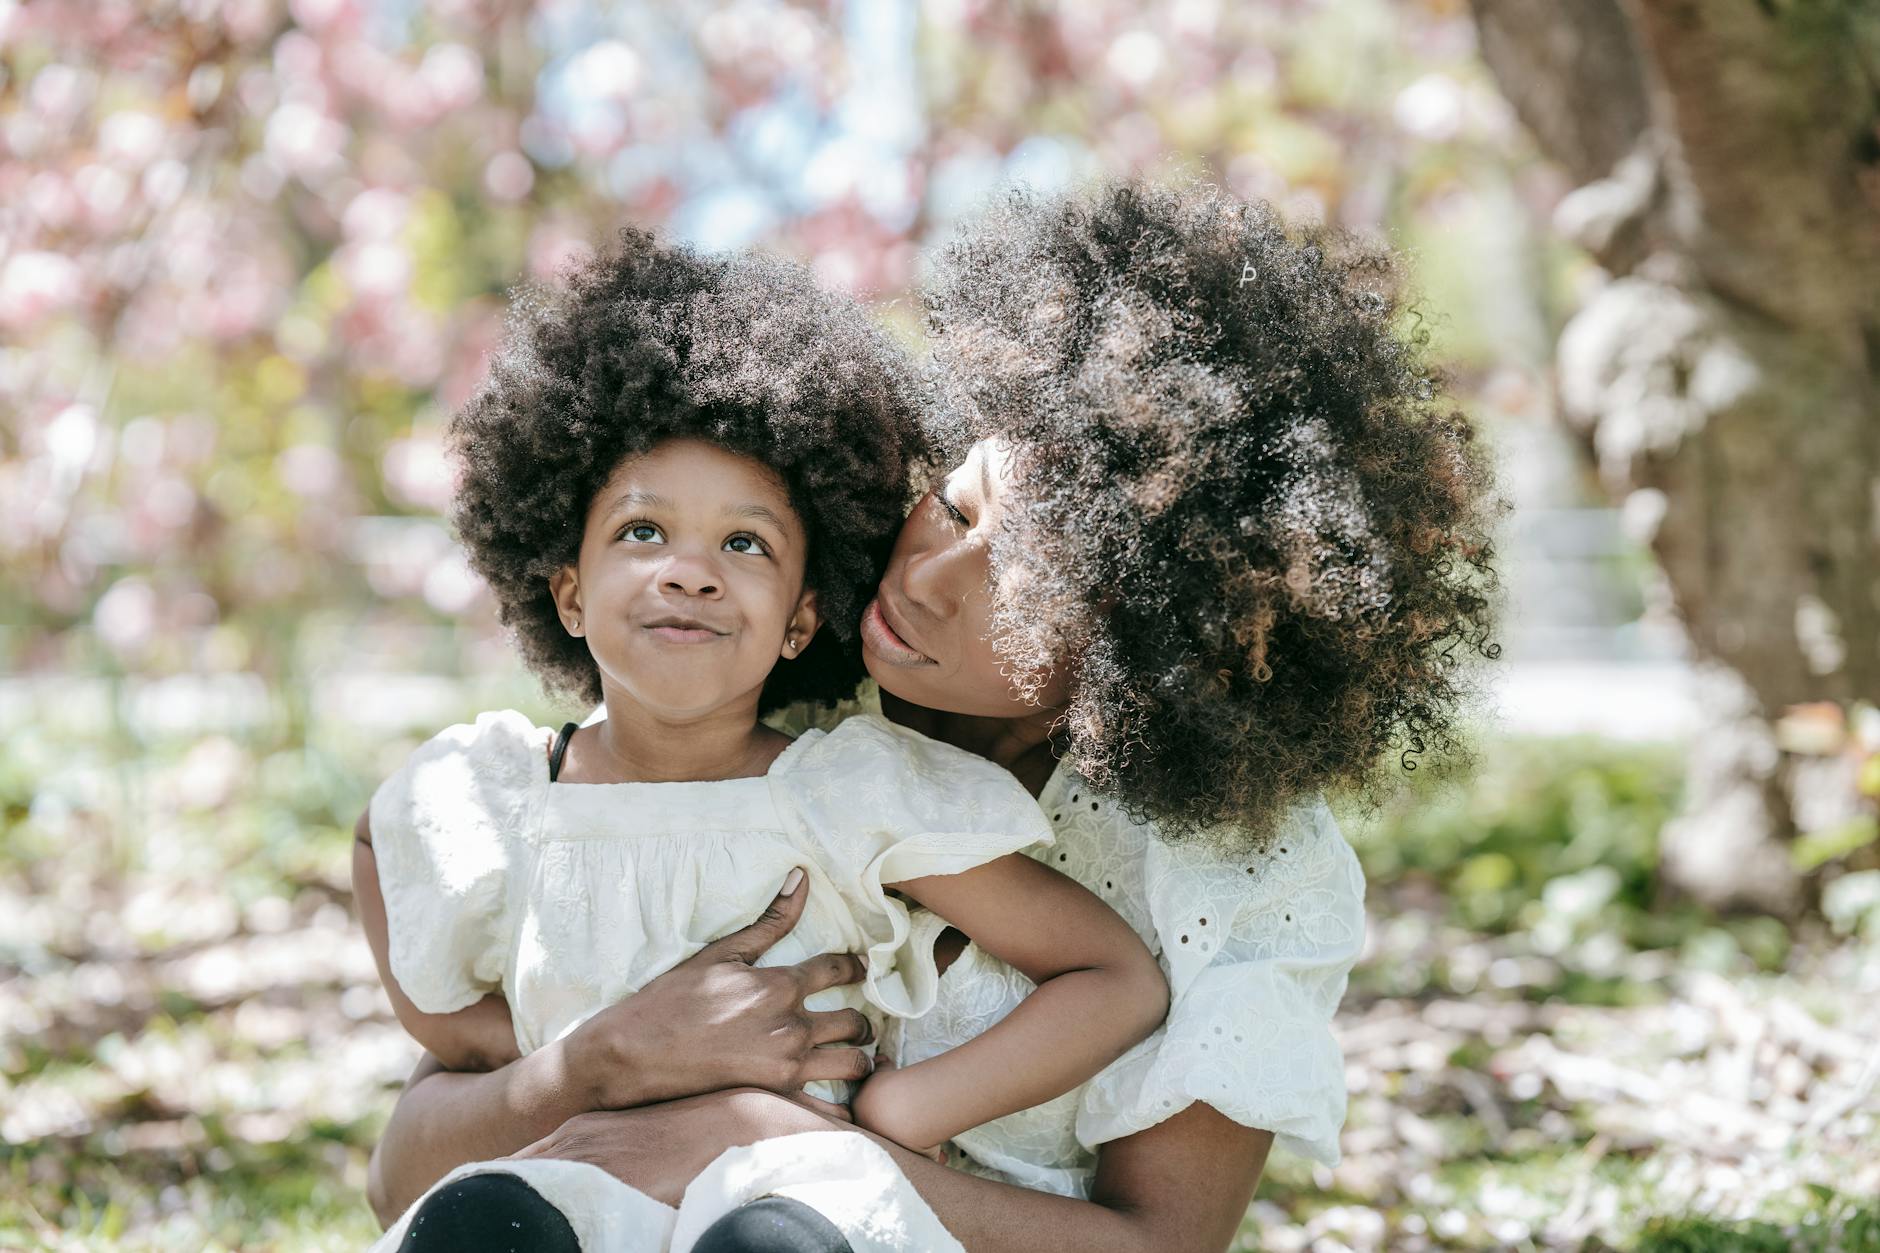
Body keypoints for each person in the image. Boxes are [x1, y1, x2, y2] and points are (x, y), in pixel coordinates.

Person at [362, 181, 1501, 1252]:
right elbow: (404, 1170)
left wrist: (788, 1146)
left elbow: (1158, 1243)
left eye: (1014, 577)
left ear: (1151, 651)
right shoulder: (752, 694)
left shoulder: (1237, 880)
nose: (925, 575)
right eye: (953, 501)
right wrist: (597, 1065)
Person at [351, 227, 1173, 1250]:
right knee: (475, 1225)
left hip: (793, 1194)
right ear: (565, 589)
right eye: (642, 531)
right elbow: (382, 840)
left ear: (797, 619)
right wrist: (477, 1036)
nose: (690, 570)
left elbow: (1113, 975)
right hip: (574, 1192)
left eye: (744, 543)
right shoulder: (508, 788)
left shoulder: (844, 793)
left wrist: (897, 1115)